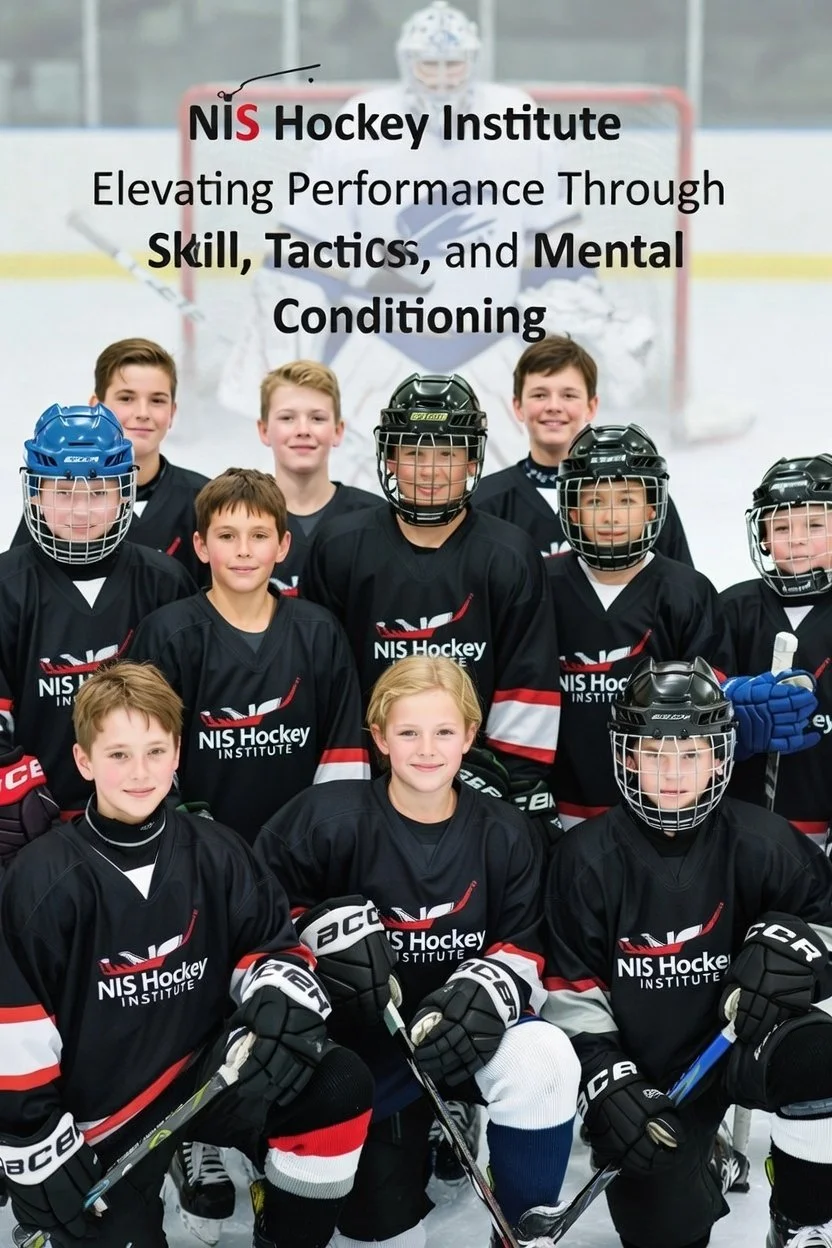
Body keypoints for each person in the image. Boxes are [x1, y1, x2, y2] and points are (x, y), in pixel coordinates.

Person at [0, 661, 374, 1248]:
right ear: (83, 761)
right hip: (105, 1120)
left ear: (178, 753)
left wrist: (277, 992)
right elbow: (14, 1021)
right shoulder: (41, 879)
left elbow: (268, 944)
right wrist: (31, 1139)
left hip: (212, 1076)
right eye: (118, 754)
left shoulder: (218, 852)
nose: (140, 771)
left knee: (337, 1081)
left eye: (154, 750)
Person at [217, 1, 654, 489]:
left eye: (454, 64)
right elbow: (307, 245)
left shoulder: (517, 118)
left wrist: (582, 318)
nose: (443, 79)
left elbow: (556, 246)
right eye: (431, 64)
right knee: (359, 491)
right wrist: (283, 334)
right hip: (377, 335)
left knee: (506, 489)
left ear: (475, 61)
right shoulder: (362, 121)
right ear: (407, 63)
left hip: (492, 336)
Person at [255, 655, 581, 1248]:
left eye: (443, 732)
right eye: (408, 732)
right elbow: (260, 919)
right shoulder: (324, 821)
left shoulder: (506, 833)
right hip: (365, 1053)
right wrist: (317, 943)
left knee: (545, 1055)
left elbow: (526, 946)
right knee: (377, 1226)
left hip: (463, 1038)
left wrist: (492, 990)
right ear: (379, 737)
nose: (427, 749)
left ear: (470, 736)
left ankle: (524, 1230)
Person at [541, 657, 832, 1248]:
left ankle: (802, 1217)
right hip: (652, 1075)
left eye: (692, 754)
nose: (673, 773)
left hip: (744, 1045)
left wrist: (796, 953)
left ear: (721, 757)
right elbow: (571, 991)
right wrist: (608, 1080)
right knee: (663, 1227)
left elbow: (824, 926)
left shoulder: (766, 842)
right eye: (654, 755)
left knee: (823, 1059)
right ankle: (704, 1155)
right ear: (626, 757)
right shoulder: (583, 861)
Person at [301, 371, 561, 842]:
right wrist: (348, 782)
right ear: (390, 458)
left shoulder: (508, 554)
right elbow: (323, 683)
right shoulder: (340, 546)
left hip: (481, 789)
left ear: (470, 461)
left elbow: (528, 680)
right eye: (414, 452)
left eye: (447, 453)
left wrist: (506, 781)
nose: (429, 469)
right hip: (368, 786)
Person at [130, 467, 370, 843]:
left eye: (259, 536)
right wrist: (189, 837)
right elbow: (143, 754)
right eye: (227, 536)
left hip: (303, 859)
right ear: (201, 545)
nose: (244, 550)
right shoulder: (167, 636)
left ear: (283, 544)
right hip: (198, 856)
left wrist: (325, 838)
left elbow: (342, 758)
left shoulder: (320, 633)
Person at [0, 403, 194, 828]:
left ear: (125, 491)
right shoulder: (6, 584)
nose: (82, 510)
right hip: (36, 827)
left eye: (100, 491)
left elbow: (188, 708)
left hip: (145, 814)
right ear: (35, 492)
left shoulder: (166, 580)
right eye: (63, 491)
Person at [546, 422, 731, 830]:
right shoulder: (540, 584)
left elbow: (709, 711)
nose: (611, 515)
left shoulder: (688, 591)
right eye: (595, 500)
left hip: (660, 807)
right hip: (557, 803)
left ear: (652, 508)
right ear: (572, 511)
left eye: (627, 499)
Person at [473, 335, 693, 563]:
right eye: (540, 395)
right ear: (517, 407)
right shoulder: (485, 503)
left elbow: (681, 590)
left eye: (568, 395)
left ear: (591, 406)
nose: (554, 406)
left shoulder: (642, 495)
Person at [11, 338, 210, 585]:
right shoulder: (57, 496)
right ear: (96, 407)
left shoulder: (203, 498)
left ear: (172, 412)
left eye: (157, 400)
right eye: (126, 398)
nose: (143, 413)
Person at [721, 455, 831, 843]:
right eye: (781, 526)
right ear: (763, 537)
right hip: (742, 824)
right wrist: (732, 708)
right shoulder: (731, 608)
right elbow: (701, 694)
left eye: (814, 524)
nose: (797, 538)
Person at [257, 361, 382, 596]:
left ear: (338, 430)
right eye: (287, 418)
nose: (303, 430)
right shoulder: (241, 519)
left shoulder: (375, 519)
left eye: (317, 418)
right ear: (264, 430)